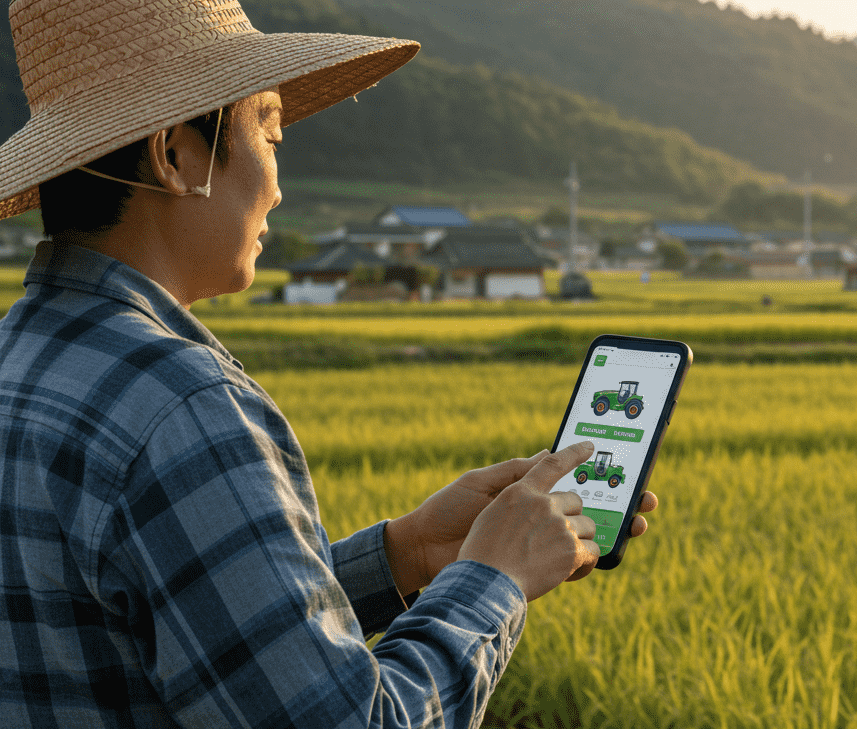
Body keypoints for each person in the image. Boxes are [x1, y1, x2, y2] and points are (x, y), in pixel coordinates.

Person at [0, 0, 656, 726]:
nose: (279, 185)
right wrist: (492, 578)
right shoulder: (180, 406)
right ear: (175, 155)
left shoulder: (20, 359)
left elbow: (186, 623)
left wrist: (407, 552)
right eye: (271, 135)